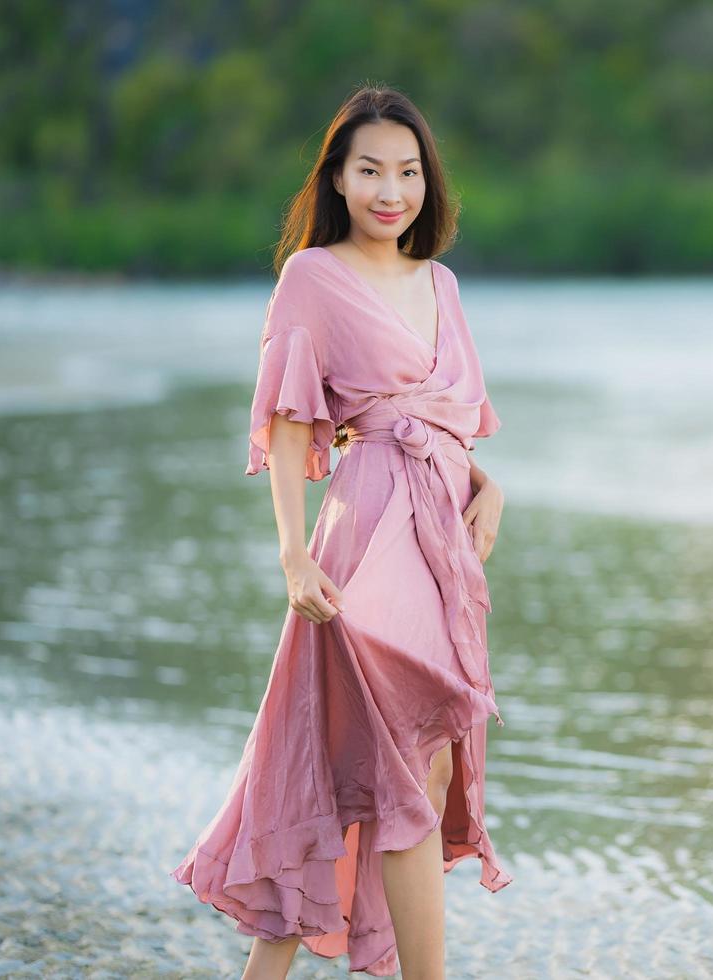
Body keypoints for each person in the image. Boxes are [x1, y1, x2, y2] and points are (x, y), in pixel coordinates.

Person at [169, 85, 511, 980]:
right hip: (365, 533)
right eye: (370, 170)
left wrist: (489, 484)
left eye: (407, 172)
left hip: (443, 540)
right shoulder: (312, 277)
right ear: (339, 178)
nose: (390, 190)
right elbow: (288, 425)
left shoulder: (441, 282)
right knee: (396, 765)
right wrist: (290, 553)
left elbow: (447, 420)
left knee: (399, 770)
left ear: (428, 184)